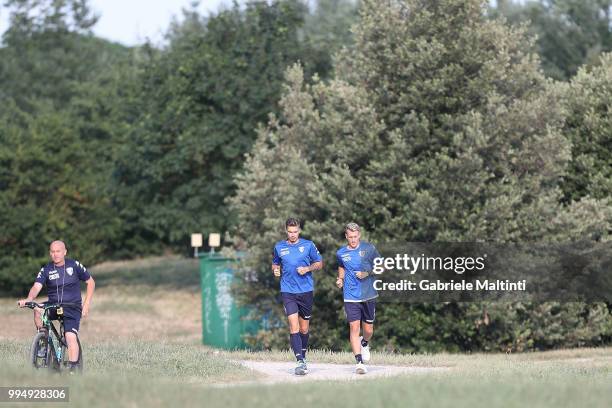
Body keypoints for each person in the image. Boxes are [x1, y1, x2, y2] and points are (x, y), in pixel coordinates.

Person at [17, 240, 95, 373]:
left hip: (72, 306)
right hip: (53, 304)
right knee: (37, 309)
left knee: (70, 336)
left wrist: (86, 304)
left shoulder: (74, 265)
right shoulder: (46, 269)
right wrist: (29, 299)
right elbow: (36, 287)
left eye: (58, 251)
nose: (55, 254)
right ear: (50, 253)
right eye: (52, 251)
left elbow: (90, 282)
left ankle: (73, 368)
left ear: (65, 252)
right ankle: (43, 341)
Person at [272, 218, 323, 376]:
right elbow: (275, 263)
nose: (292, 234)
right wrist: (275, 270)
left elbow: (319, 263)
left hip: (306, 291)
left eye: (295, 232)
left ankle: (303, 355)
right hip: (288, 291)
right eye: (290, 232)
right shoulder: (279, 247)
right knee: (293, 326)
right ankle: (300, 361)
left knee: (304, 328)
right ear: (286, 231)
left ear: (299, 231)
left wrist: (307, 269)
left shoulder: (308, 245)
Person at [336, 222, 380, 374]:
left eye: (355, 237)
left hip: (368, 294)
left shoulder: (369, 249)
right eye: (350, 237)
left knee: (368, 330)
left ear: (359, 235)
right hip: (350, 296)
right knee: (354, 328)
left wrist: (367, 273)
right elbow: (341, 266)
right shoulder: (341, 253)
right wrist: (340, 279)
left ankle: (365, 343)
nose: (353, 240)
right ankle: (359, 362)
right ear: (346, 236)